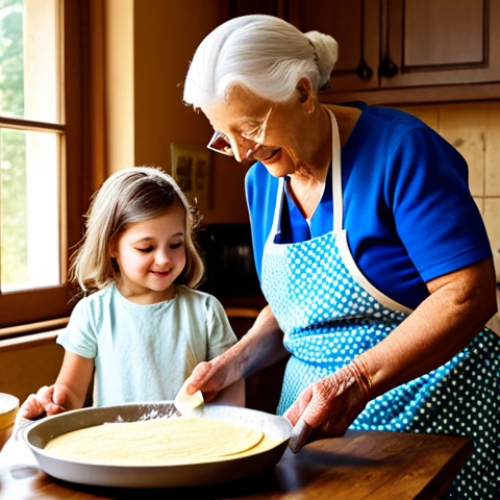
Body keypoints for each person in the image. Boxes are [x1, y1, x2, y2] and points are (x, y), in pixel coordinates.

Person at [182, 14, 500, 500]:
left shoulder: (401, 151)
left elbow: (467, 296)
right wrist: (231, 363)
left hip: (429, 415)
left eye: (250, 128)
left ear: (305, 94)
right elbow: (295, 310)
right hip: (312, 426)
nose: (242, 153)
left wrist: (353, 380)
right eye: (226, 137)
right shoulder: (261, 181)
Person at [20, 167, 243, 418]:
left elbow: (229, 388)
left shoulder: (206, 311)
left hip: (190, 453)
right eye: (146, 248)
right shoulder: (92, 313)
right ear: (113, 246)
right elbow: (70, 393)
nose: (164, 259)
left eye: (175, 244)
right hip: (115, 453)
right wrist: (53, 404)